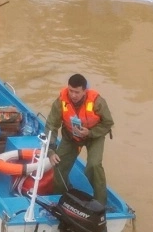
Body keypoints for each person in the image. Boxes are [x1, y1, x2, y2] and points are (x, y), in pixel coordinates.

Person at [46, 73, 113, 207]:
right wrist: (51, 151)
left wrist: (90, 132)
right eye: (70, 91)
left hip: (94, 136)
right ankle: (61, 199)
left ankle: (101, 204)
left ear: (84, 91)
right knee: (59, 166)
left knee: (94, 165)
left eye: (77, 92)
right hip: (71, 136)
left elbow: (108, 123)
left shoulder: (97, 101)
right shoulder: (61, 101)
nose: (73, 95)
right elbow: (51, 125)